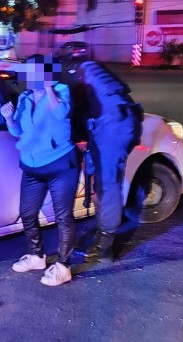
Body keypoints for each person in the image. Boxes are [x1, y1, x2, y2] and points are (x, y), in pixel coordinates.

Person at [0, 54, 79, 286]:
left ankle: (64, 266)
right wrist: (8, 119)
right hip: (32, 166)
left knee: (63, 216)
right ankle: (37, 256)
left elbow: (60, 113)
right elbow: (18, 132)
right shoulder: (24, 98)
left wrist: (48, 88)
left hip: (60, 164)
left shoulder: (61, 90)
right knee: (27, 212)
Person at [59, 56, 143, 263]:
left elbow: (69, 109)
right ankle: (103, 236)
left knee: (107, 185)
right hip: (115, 122)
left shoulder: (74, 75)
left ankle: (105, 247)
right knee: (103, 183)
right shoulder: (89, 68)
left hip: (112, 126)